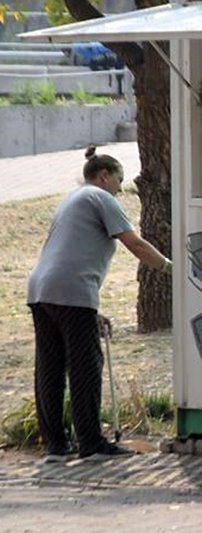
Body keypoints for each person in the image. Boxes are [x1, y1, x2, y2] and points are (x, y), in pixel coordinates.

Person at [26, 146, 173, 463]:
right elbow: (134, 242)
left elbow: (68, 253)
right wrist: (171, 268)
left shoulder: (71, 199)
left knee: (50, 368)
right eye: (119, 180)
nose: (121, 188)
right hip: (71, 291)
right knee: (85, 367)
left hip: (42, 289)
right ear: (104, 176)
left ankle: (55, 446)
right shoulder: (101, 198)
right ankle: (91, 443)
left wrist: (93, 311)